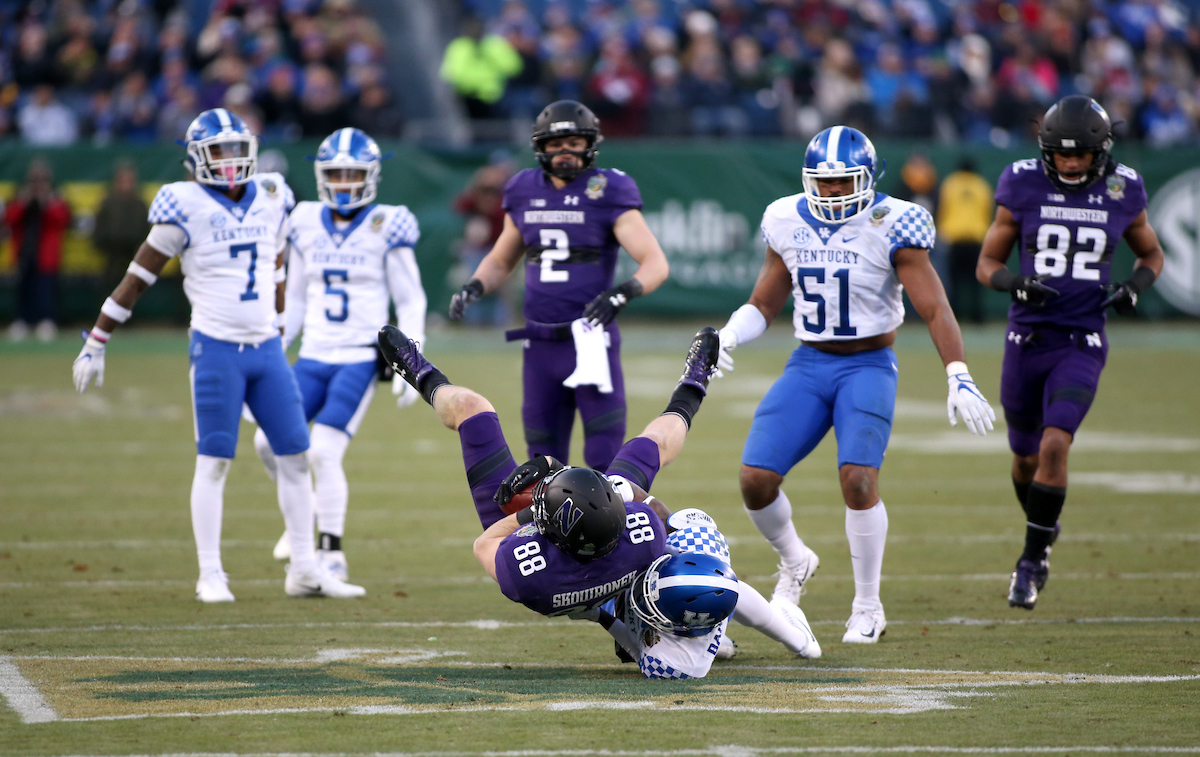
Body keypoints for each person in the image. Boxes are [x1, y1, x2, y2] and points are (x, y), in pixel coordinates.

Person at [71, 108, 365, 603]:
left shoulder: (272, 194)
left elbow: (274, 262)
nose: (229, 162)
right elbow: (137, 277)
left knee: (295, 458)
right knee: (214, 461)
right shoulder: (183, 204)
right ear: (196, 160)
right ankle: (211, 572)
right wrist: (97, 339)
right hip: (216, 350)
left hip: (267, 349)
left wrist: (277, 317)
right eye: (218, 153)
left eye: (236, 151)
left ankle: (305, 568)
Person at [715, 125, 996, 644]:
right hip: (808, 363)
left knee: (859, 480)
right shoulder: (785, 218)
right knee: (755, 478)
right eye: (822, 183)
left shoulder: (895, 221)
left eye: (843, 183)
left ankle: (868, 604)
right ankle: (794, 559)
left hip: (868, 365)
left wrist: (958, 373)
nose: (831, 193)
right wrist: (727, 335)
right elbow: (764, 303)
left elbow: (934, 307)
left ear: (866, 180)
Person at [377, 324, 721, 619]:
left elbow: (485, 543)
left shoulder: (526, 569)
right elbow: (654, 511)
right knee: (654, 445)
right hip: (590, 547)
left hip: (539, 551)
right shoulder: (644, 538)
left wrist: (534, 509)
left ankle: (424, 376)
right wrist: (573, 476)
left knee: (471, 410)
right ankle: (694, 384)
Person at [975, 95, 1164, 610]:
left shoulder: (1124, 186)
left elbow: (1151, 252)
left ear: (1100, 152)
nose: (1071, 163)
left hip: (1081, 340)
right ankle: (1043, 529)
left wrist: (1135, 286)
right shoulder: (1021, 182)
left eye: (1081, 154)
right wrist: (1015, 282)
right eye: (1061, 154)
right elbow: (986, 263)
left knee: (1056, 445)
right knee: (1024, 459)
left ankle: (1031, 560)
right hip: (1027, 338)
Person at [447, 100, 670, 471]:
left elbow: (655, 262)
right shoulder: (522, 188)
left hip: (589, 341)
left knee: (605, 457)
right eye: (555, 143)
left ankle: (611, 528)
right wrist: (473, 286)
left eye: (574, 142)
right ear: (540, 146)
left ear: (590, 144)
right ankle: (548, 531)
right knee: (543, 461)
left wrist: (623, 291)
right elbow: (502, 259)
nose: (565, 151)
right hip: (539, 345)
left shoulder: (608, 189)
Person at [255, 127, 427, 581]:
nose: (345, 183)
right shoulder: (305, 220)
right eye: (337, 174)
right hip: (312, 353)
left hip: (357, 357)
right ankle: (306, 512)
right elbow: (293, 297)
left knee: (324, 452)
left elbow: (411, 300)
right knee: (263, 441)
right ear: (320, 176)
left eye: (354, 173)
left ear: (370, 176)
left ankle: (332, 553)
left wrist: (415, 364)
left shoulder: (386, 222)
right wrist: (271, 346)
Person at [593, 508, 822, 680]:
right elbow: (674, 517)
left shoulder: (677, 665)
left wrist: (600, 616)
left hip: (696, 629)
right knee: (726, 586)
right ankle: (796, 639)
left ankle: (799, 640)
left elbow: (638, 650)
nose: (642, 599)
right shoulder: (701, 546)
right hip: (711, 597)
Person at [5, 158, 71, 342]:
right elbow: (10, 218)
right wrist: (23, 201)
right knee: (23, 288)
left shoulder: (55, 197)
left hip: (46, 254)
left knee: (46, 289)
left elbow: (62, 219)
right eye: (35, 179)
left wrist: (47, 201)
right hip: (25, 252)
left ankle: (47, 320)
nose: (38, 183)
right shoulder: (21, 196)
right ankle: (22, 321)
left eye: (41, 179)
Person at [937, 158, 992, 324]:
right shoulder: (981, 185)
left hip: (954, 238)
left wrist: (942, 231)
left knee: (954, 281)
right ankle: (977, 316)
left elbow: (943, 208)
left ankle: (954, 315)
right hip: (976, 238)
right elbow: (987, 211)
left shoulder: (950, 183)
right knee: (977, 281)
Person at [92, 160, 151, 292]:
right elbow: (99, 231)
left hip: (133, 260)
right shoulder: (107, 203)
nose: (126, 184)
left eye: (129, 180)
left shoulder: (140, 205)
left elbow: (145, 233)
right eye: (123, 180)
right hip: (111, 261)